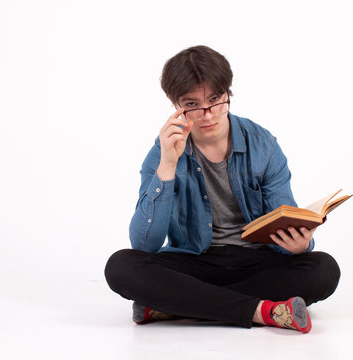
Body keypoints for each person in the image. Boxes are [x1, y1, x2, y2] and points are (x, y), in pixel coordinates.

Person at [104, 45, 340, 332]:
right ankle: (264, 311)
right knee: (120, 266)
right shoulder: (163, 151)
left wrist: (301, 245)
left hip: (256, 262)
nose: (207, 115)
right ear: (173, 101)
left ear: (228, 92)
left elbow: (284, 215)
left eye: (216, 100)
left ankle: (177, 303)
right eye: (192, 105)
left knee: (324, 269)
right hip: (193, 261)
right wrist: (167, 165)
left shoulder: (263, 145)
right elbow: (144, 246)